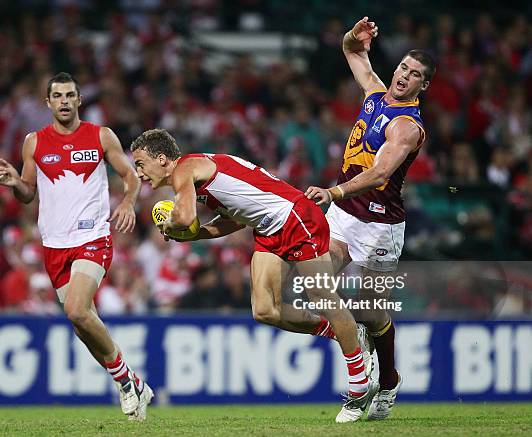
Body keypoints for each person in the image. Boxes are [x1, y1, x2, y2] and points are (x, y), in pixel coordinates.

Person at [131, 128, 379, 423]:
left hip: (295, 216)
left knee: (320, 294)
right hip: (268, 229)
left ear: (161, 159)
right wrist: (193, 236)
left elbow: (184, 218)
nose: (139, 173)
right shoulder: (197, 174)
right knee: (264, 310)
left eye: (140, 164)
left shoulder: (185, 169)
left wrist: (171, 223)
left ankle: (359, 386)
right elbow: (234, 221)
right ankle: (344, 333)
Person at [0, 72, 152, 421]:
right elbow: (28, 193)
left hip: (92, 237)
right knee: (82, 322)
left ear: (79, 100)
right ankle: (131, 382)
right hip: (54, 243)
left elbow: (131, 176)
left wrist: (126, 203)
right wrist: (14, 182)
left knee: (77, 309)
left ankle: (125, 380)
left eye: (70, 95)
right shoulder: (34, 142)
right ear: (47, 103)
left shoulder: (100, 135)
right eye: (57, 96)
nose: (64, 101)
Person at [305, 17, 436, 420]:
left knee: (372, 311)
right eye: (402, 68)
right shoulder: (376, 94)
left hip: (380, 225)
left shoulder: (407, 127)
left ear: (422, 86)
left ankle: (390, 379)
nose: (404, 76)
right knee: (314, 283)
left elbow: (380, 174)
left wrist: (333, 191)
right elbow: (352, 51)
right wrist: (353, 36)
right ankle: (358, 367)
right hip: (344, 216)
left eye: (415, 75)